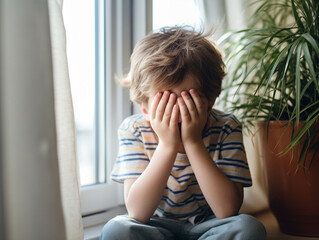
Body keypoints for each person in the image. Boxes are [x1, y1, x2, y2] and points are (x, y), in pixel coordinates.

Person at [100, 26, 266, 240]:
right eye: (165, 102)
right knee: (117, 229)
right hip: (154, 226)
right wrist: (167, 146)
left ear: (209, 102)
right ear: (145, 108)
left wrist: (194, 143)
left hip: (210, 226)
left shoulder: (226, 127)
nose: (176, 112)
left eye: (187, 100)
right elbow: (137, 213)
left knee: (249, 228)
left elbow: (226, 211)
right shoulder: (135, 130)